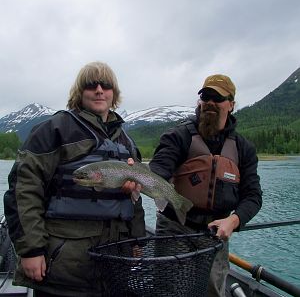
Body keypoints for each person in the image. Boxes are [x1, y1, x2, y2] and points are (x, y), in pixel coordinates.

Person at [3, 61, 146, 297]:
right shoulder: (53, 130)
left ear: (114, 93)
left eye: (106, 85)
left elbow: (134, 202)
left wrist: (138, 242)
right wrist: (30, 250)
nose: (99, 89)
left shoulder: (127, 142)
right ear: (79, 92)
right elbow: (23, 189)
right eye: (91, 84)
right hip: (63, 269)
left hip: (114, 266)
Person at [149, 74, 262, 297]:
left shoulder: (243, 149)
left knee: (212, 292)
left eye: (217, 98)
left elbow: (253, 196)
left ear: (231, 105)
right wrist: (141, 180)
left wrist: (234, 220)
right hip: (175, 229)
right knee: (169, 292)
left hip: (215, 236)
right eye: (206, 96)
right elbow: (158, 170)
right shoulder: (177, 137)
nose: (210, 102)